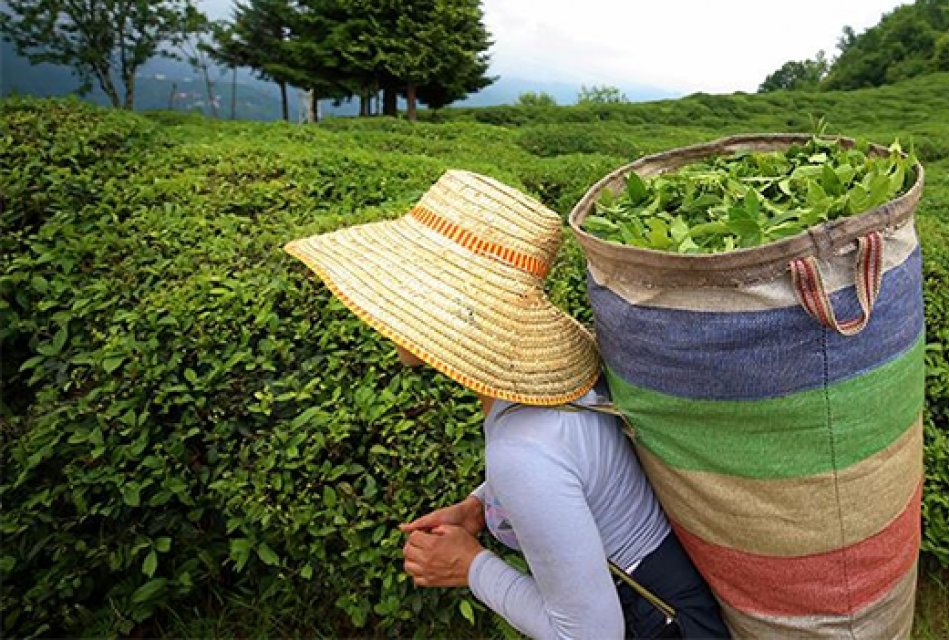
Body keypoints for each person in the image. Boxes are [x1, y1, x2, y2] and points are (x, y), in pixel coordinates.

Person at [284, 169, 729, 639]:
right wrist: (480, 508)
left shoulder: (522, 451)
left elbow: (588, 634)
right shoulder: (547, 397)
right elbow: (576, 471)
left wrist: (470, 567)